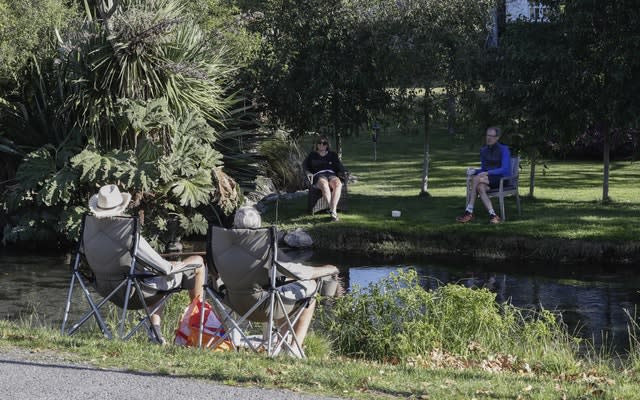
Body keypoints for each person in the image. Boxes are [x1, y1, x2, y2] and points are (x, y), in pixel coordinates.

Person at [88, 184, 205, 344]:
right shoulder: (127, 232)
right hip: (133, 293)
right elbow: (164, 268)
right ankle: (198, 324)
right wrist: (177, 265)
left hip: (104, 290)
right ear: (121, 208)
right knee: (197, 262)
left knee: (151, 276)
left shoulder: (90, 231)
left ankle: (155, 332)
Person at [232, 206, 340, 353]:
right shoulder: (266, 246)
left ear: (234, 225)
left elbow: (214, 273)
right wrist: (330, 269)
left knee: (279, 288)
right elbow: (299, 272)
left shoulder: (223, 246)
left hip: (233, 302)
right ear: (259, 225)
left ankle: (282, 341)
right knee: (310, 288)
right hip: (263, 307)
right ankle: (294, 348)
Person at [456, 127, 511, 224]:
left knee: (476, 179)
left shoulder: (504, 149)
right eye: (487, 135)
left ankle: (469, 211)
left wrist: (488, 173)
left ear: (497, 137)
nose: (488, 138)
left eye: (491, 136)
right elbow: (483, 169)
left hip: (501, 179)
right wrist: (474, 171)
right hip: (486, 179)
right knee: (480, 187)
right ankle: (493, 215)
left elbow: (505, 169)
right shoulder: (484, 150)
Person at [302, 136, 346, 221]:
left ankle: (332, 210)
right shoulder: (312, 155)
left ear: (327, 145)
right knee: (324, 184)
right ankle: (333, 211)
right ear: (317, 145)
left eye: (324, 143)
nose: (322, 145)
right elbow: (305, 166)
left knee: (338, 184)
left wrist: (344, 172)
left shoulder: (332, 155)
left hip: (331, 174)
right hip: (319, 175)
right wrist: (308, 173)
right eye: (320, 143)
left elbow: (340, 166)